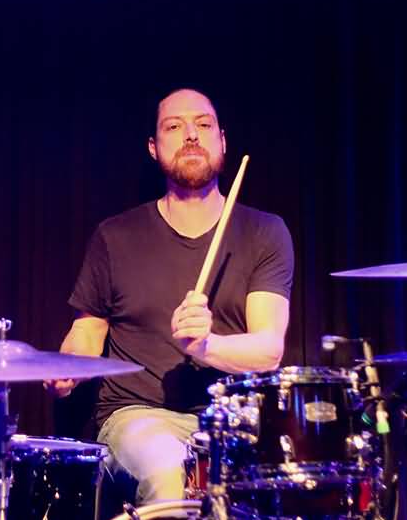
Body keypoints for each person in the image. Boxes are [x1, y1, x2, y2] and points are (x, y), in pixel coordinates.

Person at [45, 88, 294, 505]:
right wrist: (67, 367)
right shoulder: (116, 236)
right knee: (167, 468)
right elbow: (87, 331)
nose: (191, 135)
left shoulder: (264, 232)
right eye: (174, 126)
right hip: (136, 415)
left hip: (231, 425)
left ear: (222, 141)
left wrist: (207, 346)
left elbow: (268, 350)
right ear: (153, 147)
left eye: (203, 125)